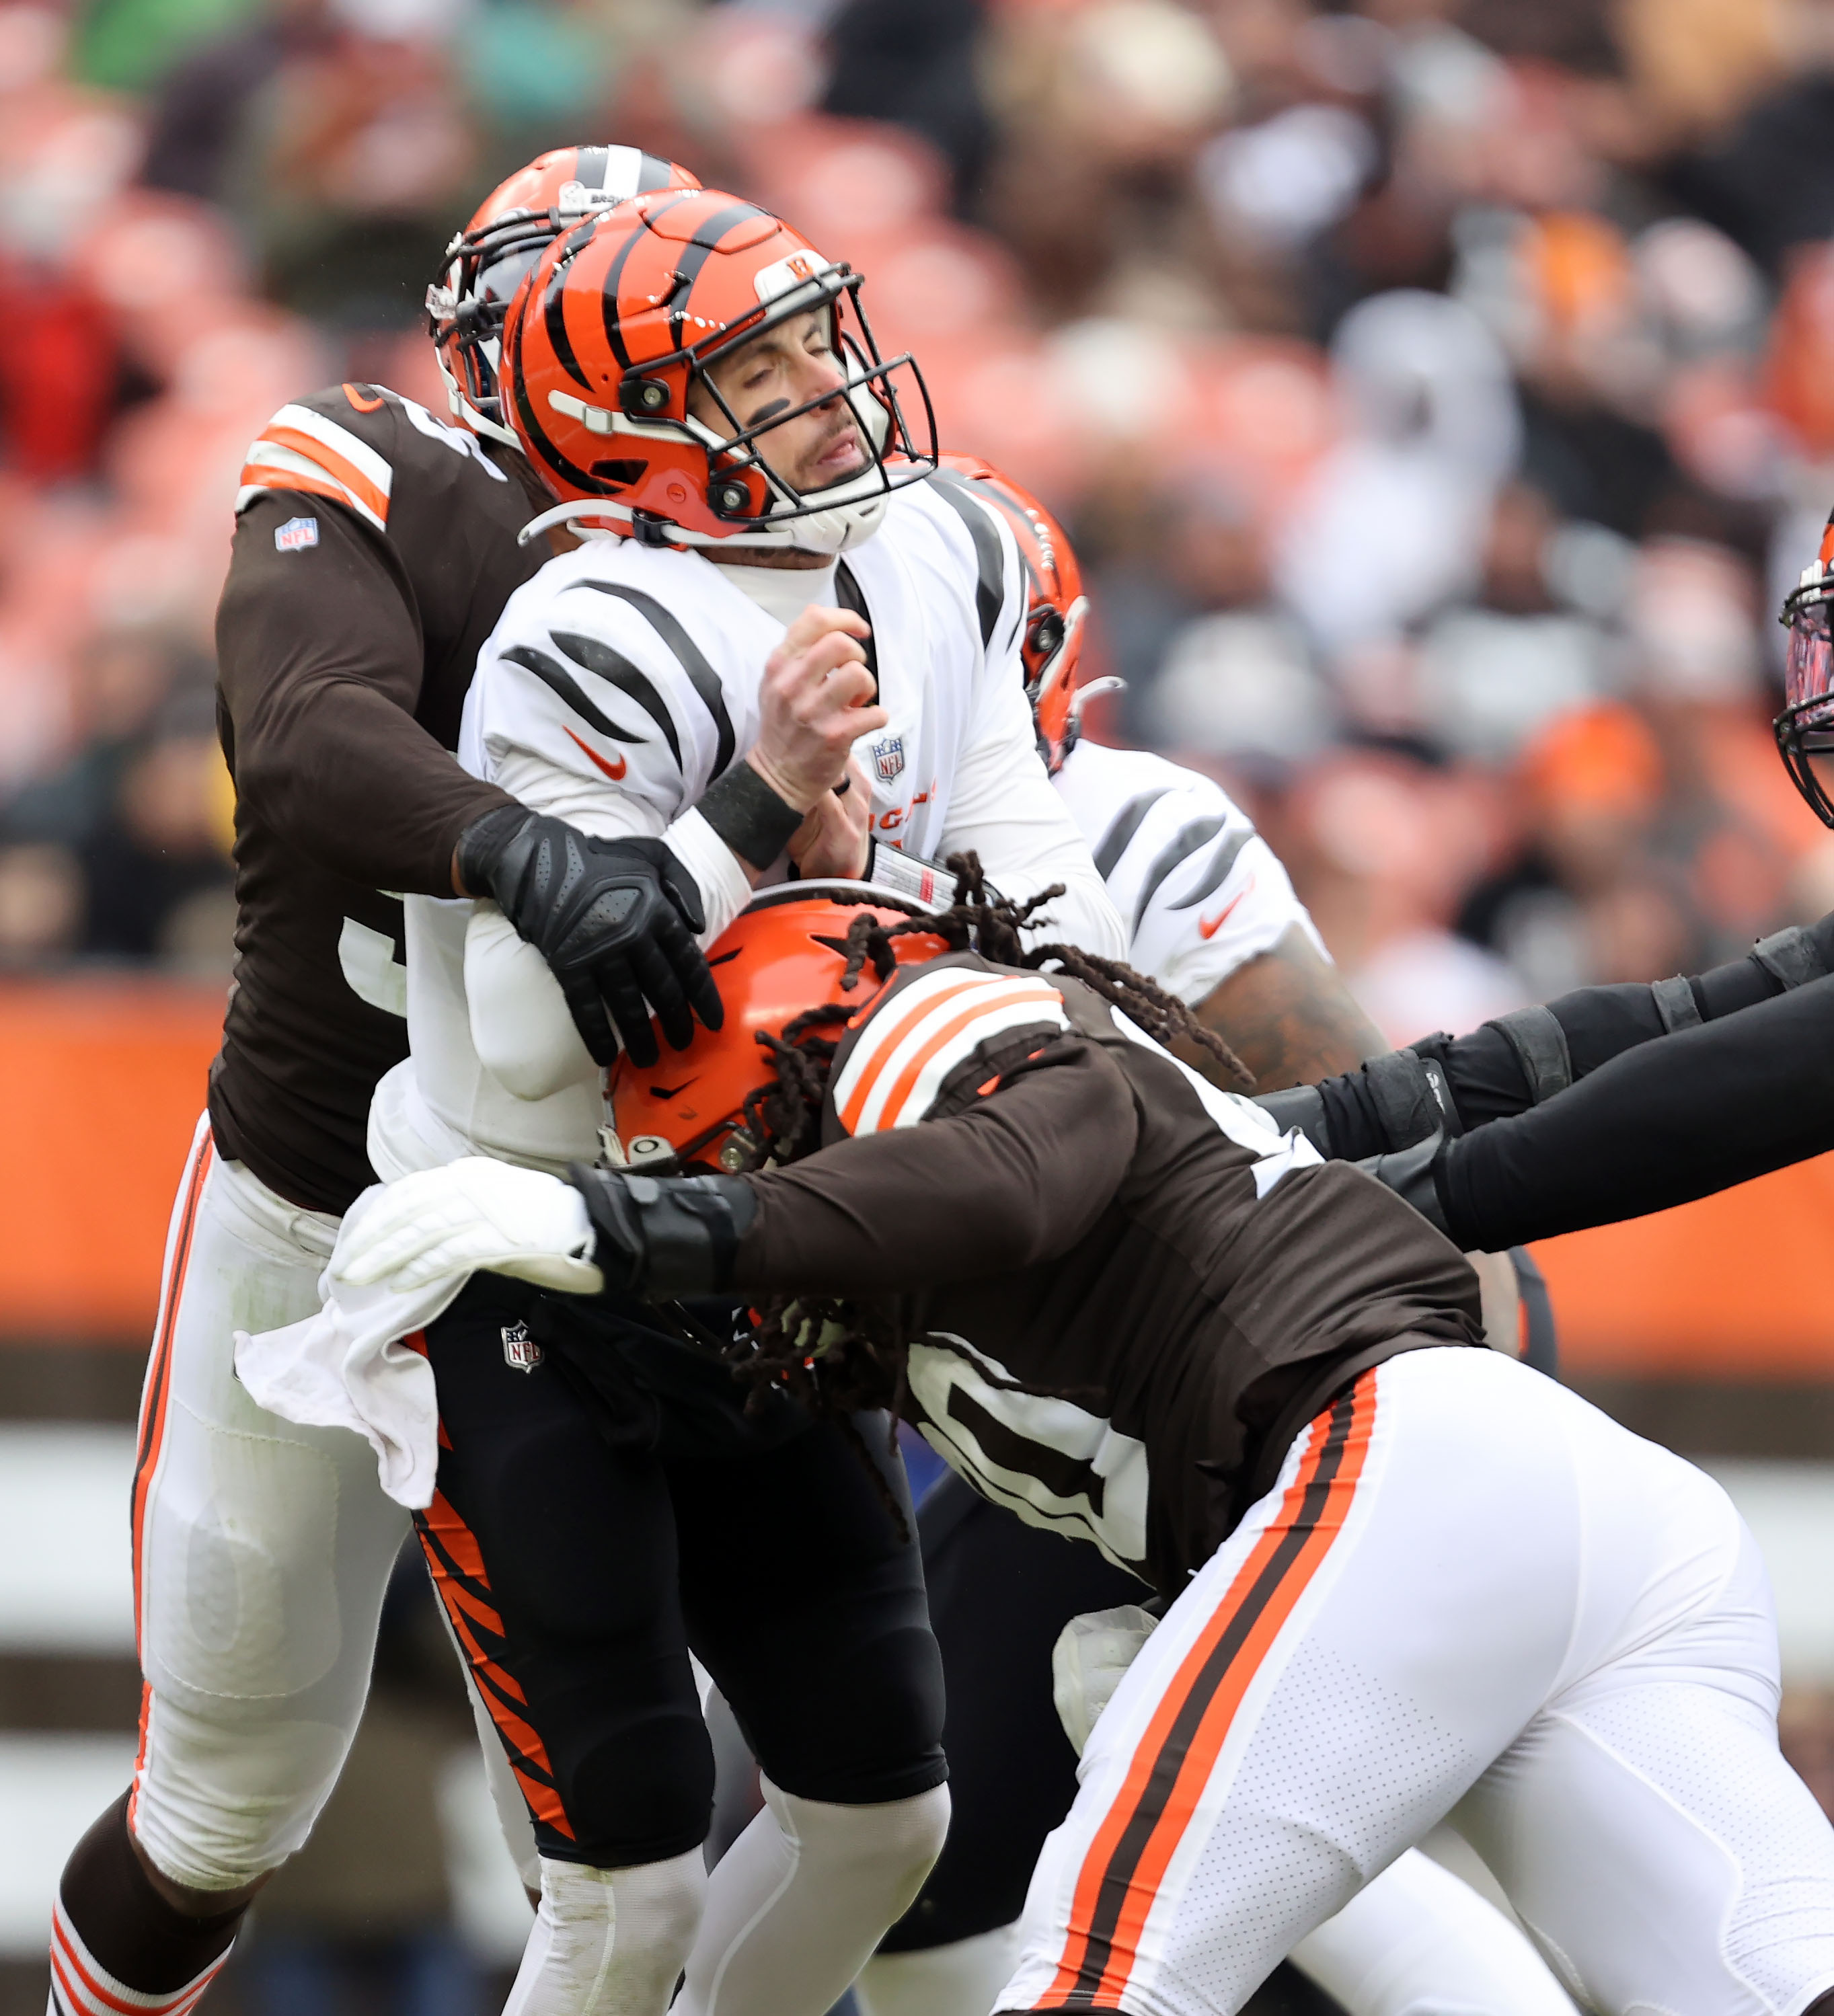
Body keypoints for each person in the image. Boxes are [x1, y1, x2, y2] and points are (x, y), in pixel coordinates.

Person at [332, 873, 1834, 2016]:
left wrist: (630, 1228)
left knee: (1095, 1979)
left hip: (1400, 1469)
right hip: (1552, 1520)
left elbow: (1011, 1172)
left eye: (714, 1151)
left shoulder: (934, 1037)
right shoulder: (933, 1233)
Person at [239, 185, 1127, 2016]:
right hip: (533, 1264)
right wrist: (754, 803)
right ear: (628, 425)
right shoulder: (594, 629)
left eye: (820, 334)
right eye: (758, 362)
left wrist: (1073, 1025)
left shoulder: (936, 545)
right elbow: (537, 1027)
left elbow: (1023, 849)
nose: (824, 383)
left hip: (755, 1253)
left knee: (885, 1817)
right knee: (623, 1884)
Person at [43, 145, 724, 2016]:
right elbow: (315, 733)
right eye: (674, 313)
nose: (724, 360)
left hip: (589, 1252)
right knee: (221, 1806)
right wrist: (521, 849)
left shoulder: (770, 543)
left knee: (645, 1844)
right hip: (311, 1212)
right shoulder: (369, 468)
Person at [850, 461, 1570, 2016]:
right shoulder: (781, 849)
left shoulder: (1130, 827)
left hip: (1274, 1374)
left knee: (1220, 1837)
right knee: (920, 1871)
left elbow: (1392, 1153)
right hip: (1088, 1405)